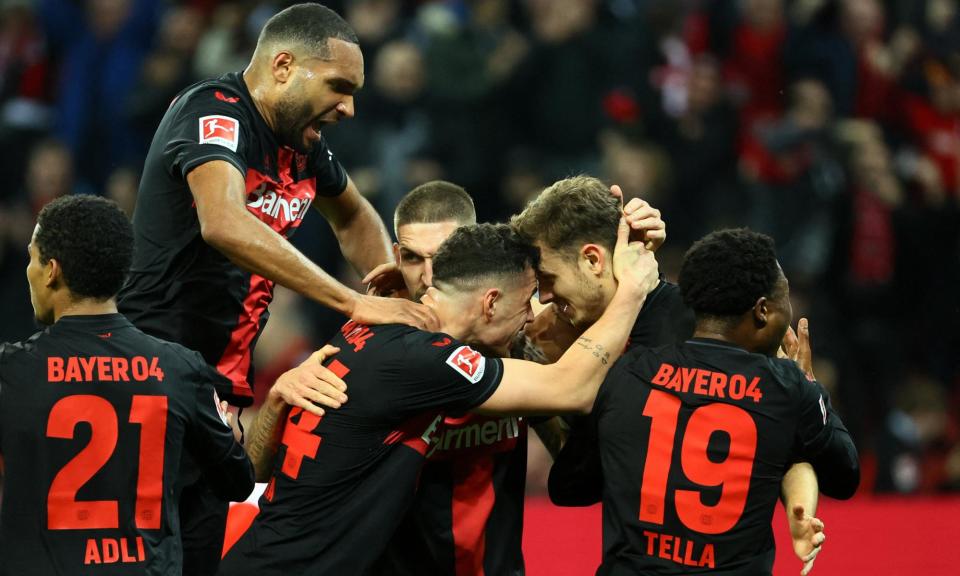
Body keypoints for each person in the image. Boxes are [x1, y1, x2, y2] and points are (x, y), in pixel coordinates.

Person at [116, 4, 431, 572]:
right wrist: (354, 301)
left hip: (217, 401)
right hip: (152, 388)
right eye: (338, 86)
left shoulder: (302, 146)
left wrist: (390, 287)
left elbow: (355, 216)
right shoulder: (213, 112)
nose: (349, 108)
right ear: (283, 66)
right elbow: (225, 221)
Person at [217, 221, 660, 576]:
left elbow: (257, 472)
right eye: (526, 302)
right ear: (490, 303)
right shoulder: (422, 360)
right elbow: (571, 387)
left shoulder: (372, 328)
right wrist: (633, 291)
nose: (530, 316)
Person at [511, 175, 830, 573]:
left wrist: (799, 509)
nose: (543, 296)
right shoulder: (572, 339)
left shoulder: (712, 324)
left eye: (548, 279)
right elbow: (581, 479)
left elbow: (789, 438)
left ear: (593, 259)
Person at [0, 195, 254, 576]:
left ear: (52, 270)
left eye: (32, 258)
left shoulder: (11, 371)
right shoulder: (181, 370)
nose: (28, 270)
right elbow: (238, 482)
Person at [590, 228, 859, 574]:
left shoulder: (631, 370)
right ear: (762, 311)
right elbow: (845, 475)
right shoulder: (786, 389)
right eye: (785, 298)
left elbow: (572, 487)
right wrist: (808, 384)